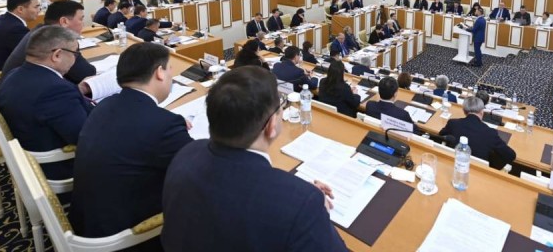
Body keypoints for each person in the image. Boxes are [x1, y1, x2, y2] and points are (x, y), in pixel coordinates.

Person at [162, 68, 347, 251]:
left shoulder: (186, 152)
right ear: (271, 125)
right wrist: (316, 209)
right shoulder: (304, 206)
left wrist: (297, 193)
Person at [70, 43, 192, 247]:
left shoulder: (105, 105)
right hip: (122, 236)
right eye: (170, 70)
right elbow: (199, 168)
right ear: (159, 73)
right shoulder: (163, 125)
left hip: (87, 220)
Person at [0, 26, 92, 180]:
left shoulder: (13, 75)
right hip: (59, 168)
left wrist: (76, 92)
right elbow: (87, 137)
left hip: (28, 154)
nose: (76, 59)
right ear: (57, 55)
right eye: (75, 53)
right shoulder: (56, 90)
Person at [439, 97, 516, 167]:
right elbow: (511, 155)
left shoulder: (453, 123)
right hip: (478, 169)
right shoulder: (490, 133)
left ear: (464, 111)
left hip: (453, 163)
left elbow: (441, 135)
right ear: (482, 112)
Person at [0, 0, 40, 73]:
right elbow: (33, 54)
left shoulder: (4, 19)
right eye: (36, 7)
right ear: (20, 9)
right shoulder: (16, 29)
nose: (39, 10)